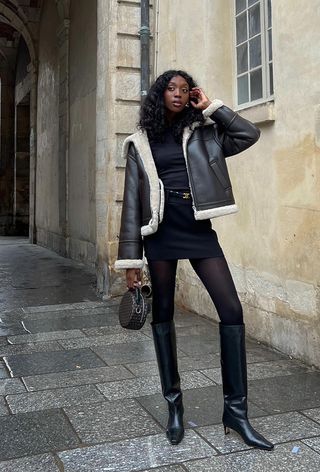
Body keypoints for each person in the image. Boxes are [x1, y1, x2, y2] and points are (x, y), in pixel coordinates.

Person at [115, 70, 274, 450]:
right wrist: (130, 261)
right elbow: (132, 201)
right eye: (171, 89)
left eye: (185, 90)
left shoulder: (205, 132)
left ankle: (236, 413)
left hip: (198, 230)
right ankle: (174, 408)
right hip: (162, 233)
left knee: (231, 311)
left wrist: (213, 108)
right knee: (164, 314)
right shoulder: (140, 141)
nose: (178, 94)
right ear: (160, 94)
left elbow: (247, 135)